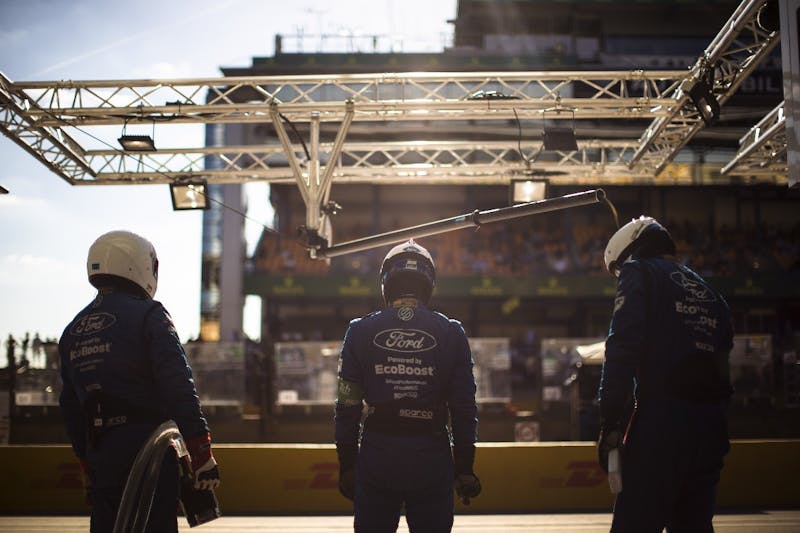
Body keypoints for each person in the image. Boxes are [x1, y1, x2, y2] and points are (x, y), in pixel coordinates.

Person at [59, 230, 220, 533]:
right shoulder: (150, 314)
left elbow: (70, 407)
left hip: (100, 451)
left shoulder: (72, 330)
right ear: (140, 264)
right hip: (149, 448)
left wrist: (87, 464)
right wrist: (200, 451)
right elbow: (178, 383)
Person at [596, 216, 734, 533]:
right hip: (711, 431)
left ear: (629, 251)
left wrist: (610, 421)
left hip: (661, 425)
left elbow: (622, 348)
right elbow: (724, 376)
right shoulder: (714, 296)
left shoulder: (639, 272)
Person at [335, 239, 481, 533]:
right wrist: (465, 467)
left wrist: (347, 464)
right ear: (429, 284)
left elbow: (347, 404)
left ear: (386, 283)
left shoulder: (359, 330)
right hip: (431, 454)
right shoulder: (451, 332)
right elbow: (464, 407)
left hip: (377, 453)